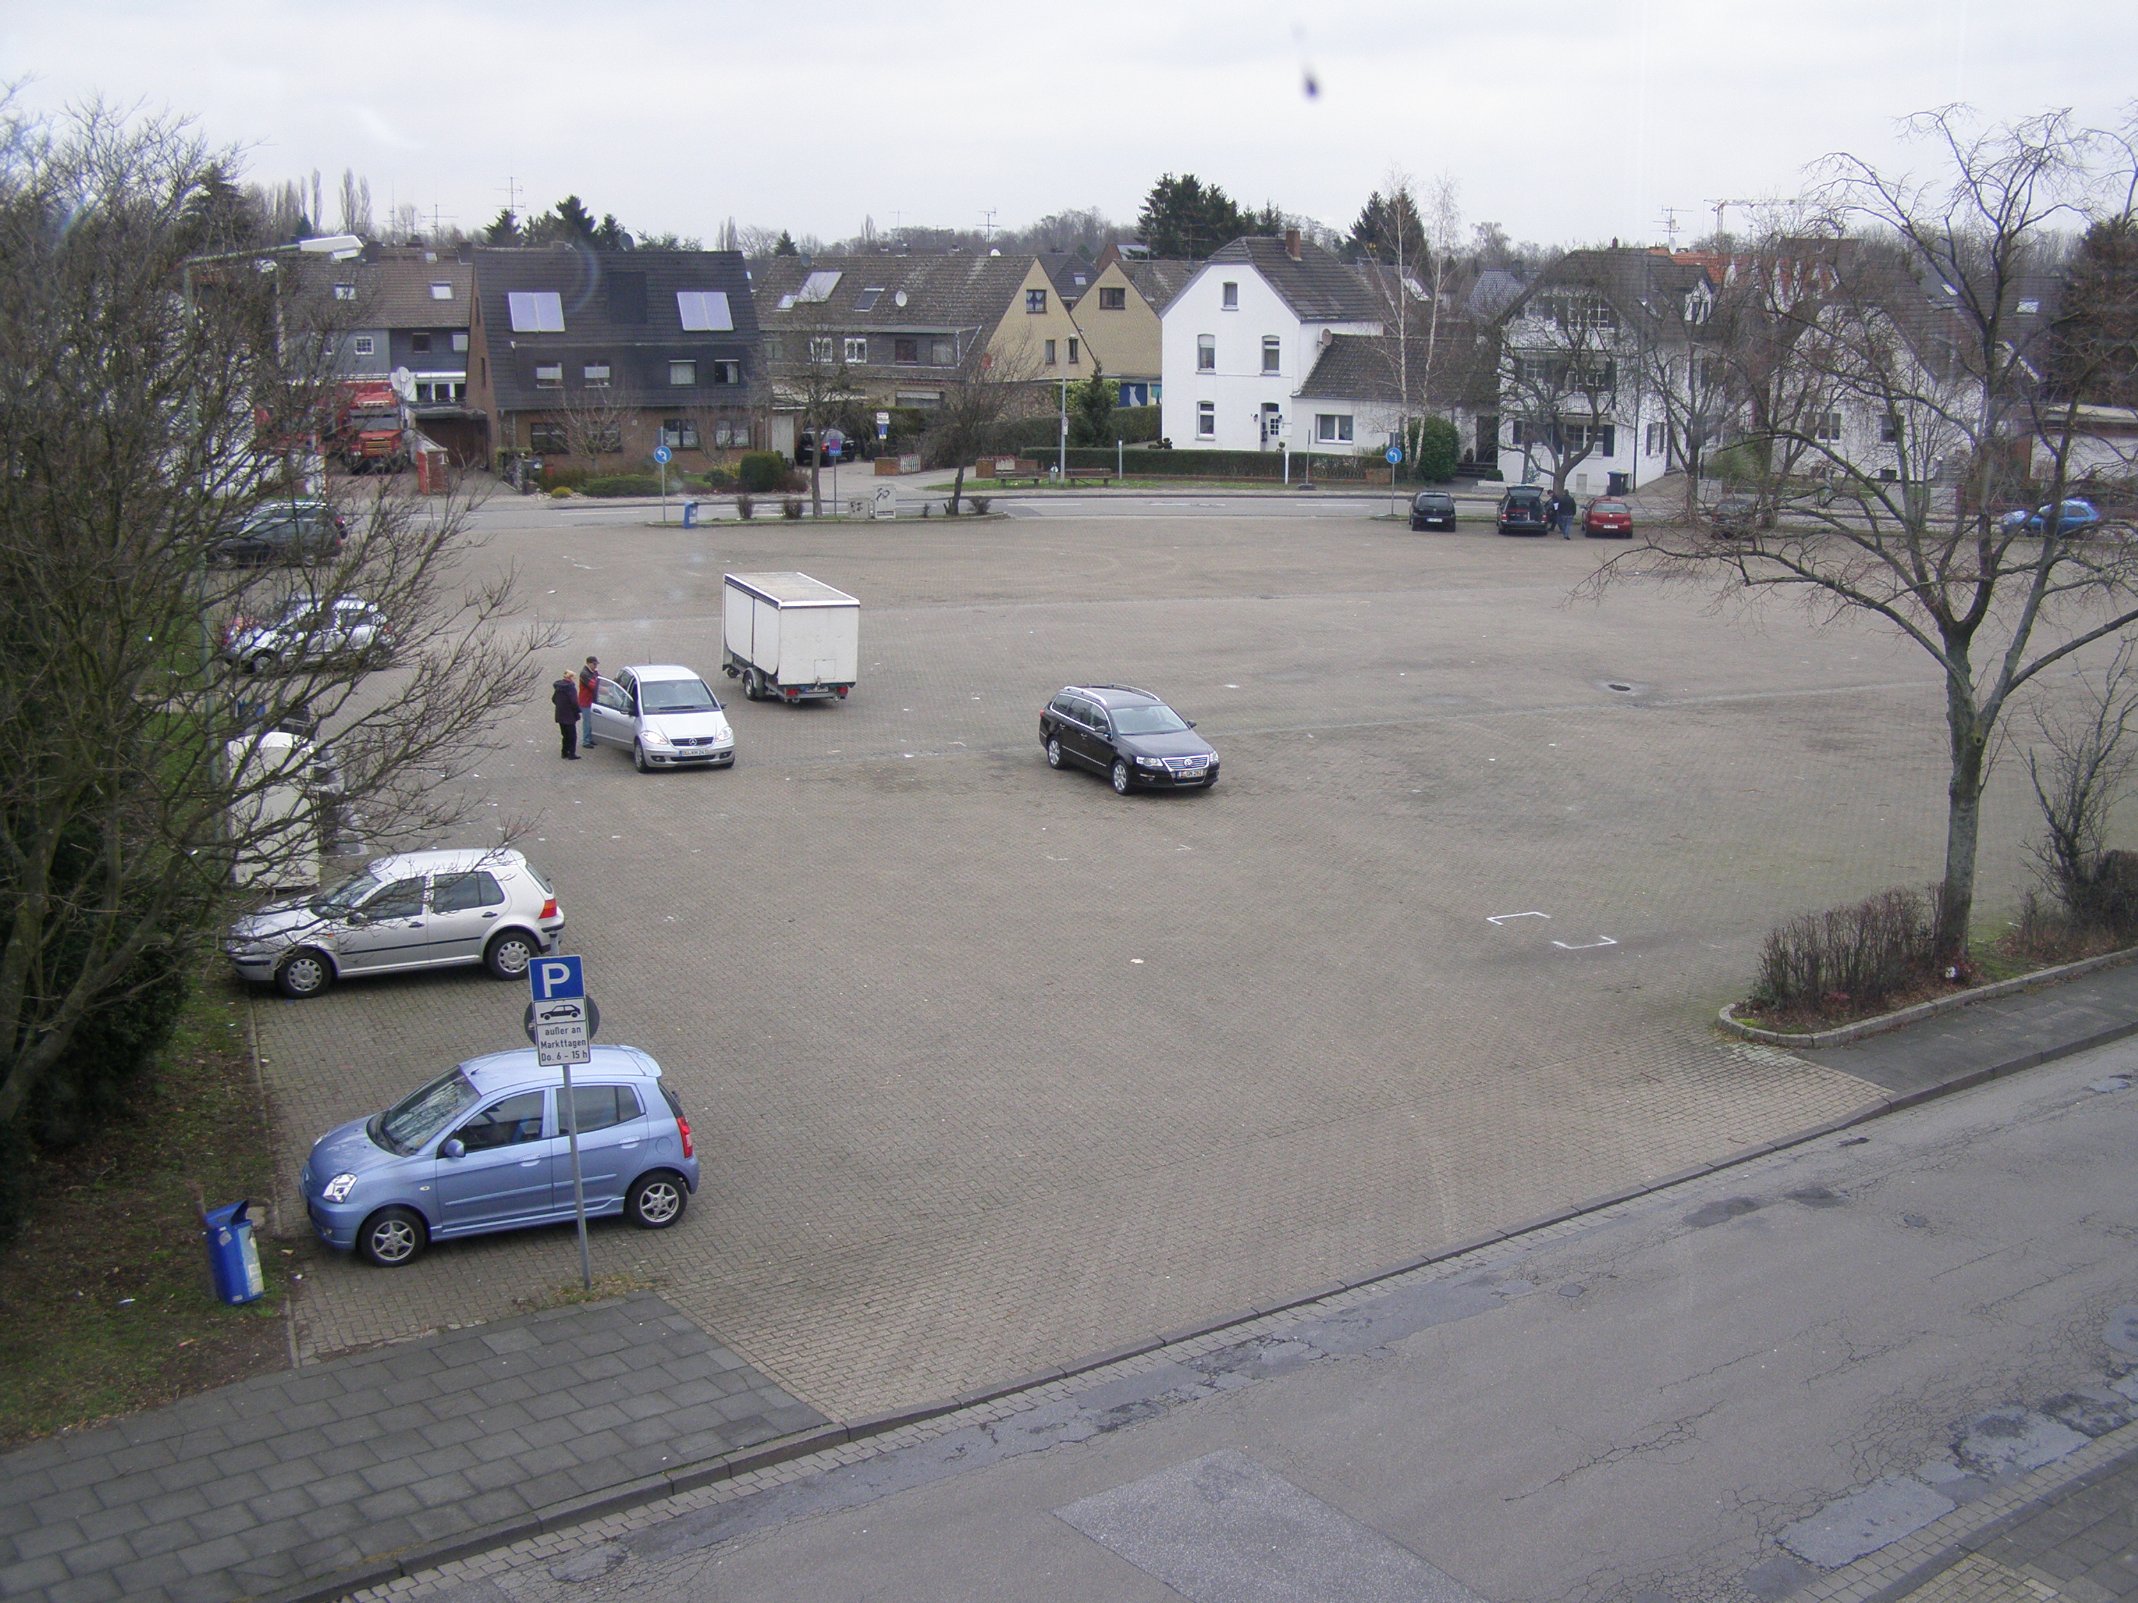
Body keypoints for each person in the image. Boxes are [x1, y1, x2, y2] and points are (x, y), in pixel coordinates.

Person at [551, 670, 580, 759]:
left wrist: (560, 706)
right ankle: (571, 754)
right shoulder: (571, 688)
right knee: (572, 736)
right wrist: (577, 711)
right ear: (570, 678)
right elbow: (574, 702)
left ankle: (564, 752)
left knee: (565, 735)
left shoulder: (558, 687)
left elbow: (553, 699)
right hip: (569, 716)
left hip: (560, 715)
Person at [577, 656, 599, 751]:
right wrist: (606, 690)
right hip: (586, 702)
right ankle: (586, 741)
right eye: (594, 664)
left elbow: (600, 680)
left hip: (591, 701)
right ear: (589, 663)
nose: (595, 666)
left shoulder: (593, 672)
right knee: (587, 722)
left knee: (591, 721)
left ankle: (590, 738)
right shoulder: (584, 674)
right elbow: (593, 686)